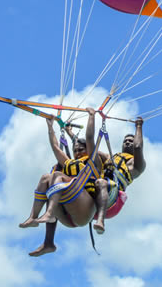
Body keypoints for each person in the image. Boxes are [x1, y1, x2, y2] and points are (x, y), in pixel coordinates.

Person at [19, 108, 104, 256]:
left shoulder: (93, 162)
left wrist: (91, 116)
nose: (77, 152)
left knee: (57, 175)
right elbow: (56, 147)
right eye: (75, 150)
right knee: (46, 177)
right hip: (68, 213)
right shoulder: (69, 163)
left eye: (81, 149)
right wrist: (50, 127)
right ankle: (41, 231)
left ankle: (49, 213)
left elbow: (90, 138)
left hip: (86, 207)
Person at [91, 116, 145, 234]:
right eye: (125, 140)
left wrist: (139, 126)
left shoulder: (136, 165)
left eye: (131, 140)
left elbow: (138, 147)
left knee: (102, 183)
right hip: (97, 186)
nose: (127, 142)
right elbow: (90, 149)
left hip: (112, 198)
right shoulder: (110, 157)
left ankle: (100, 221)